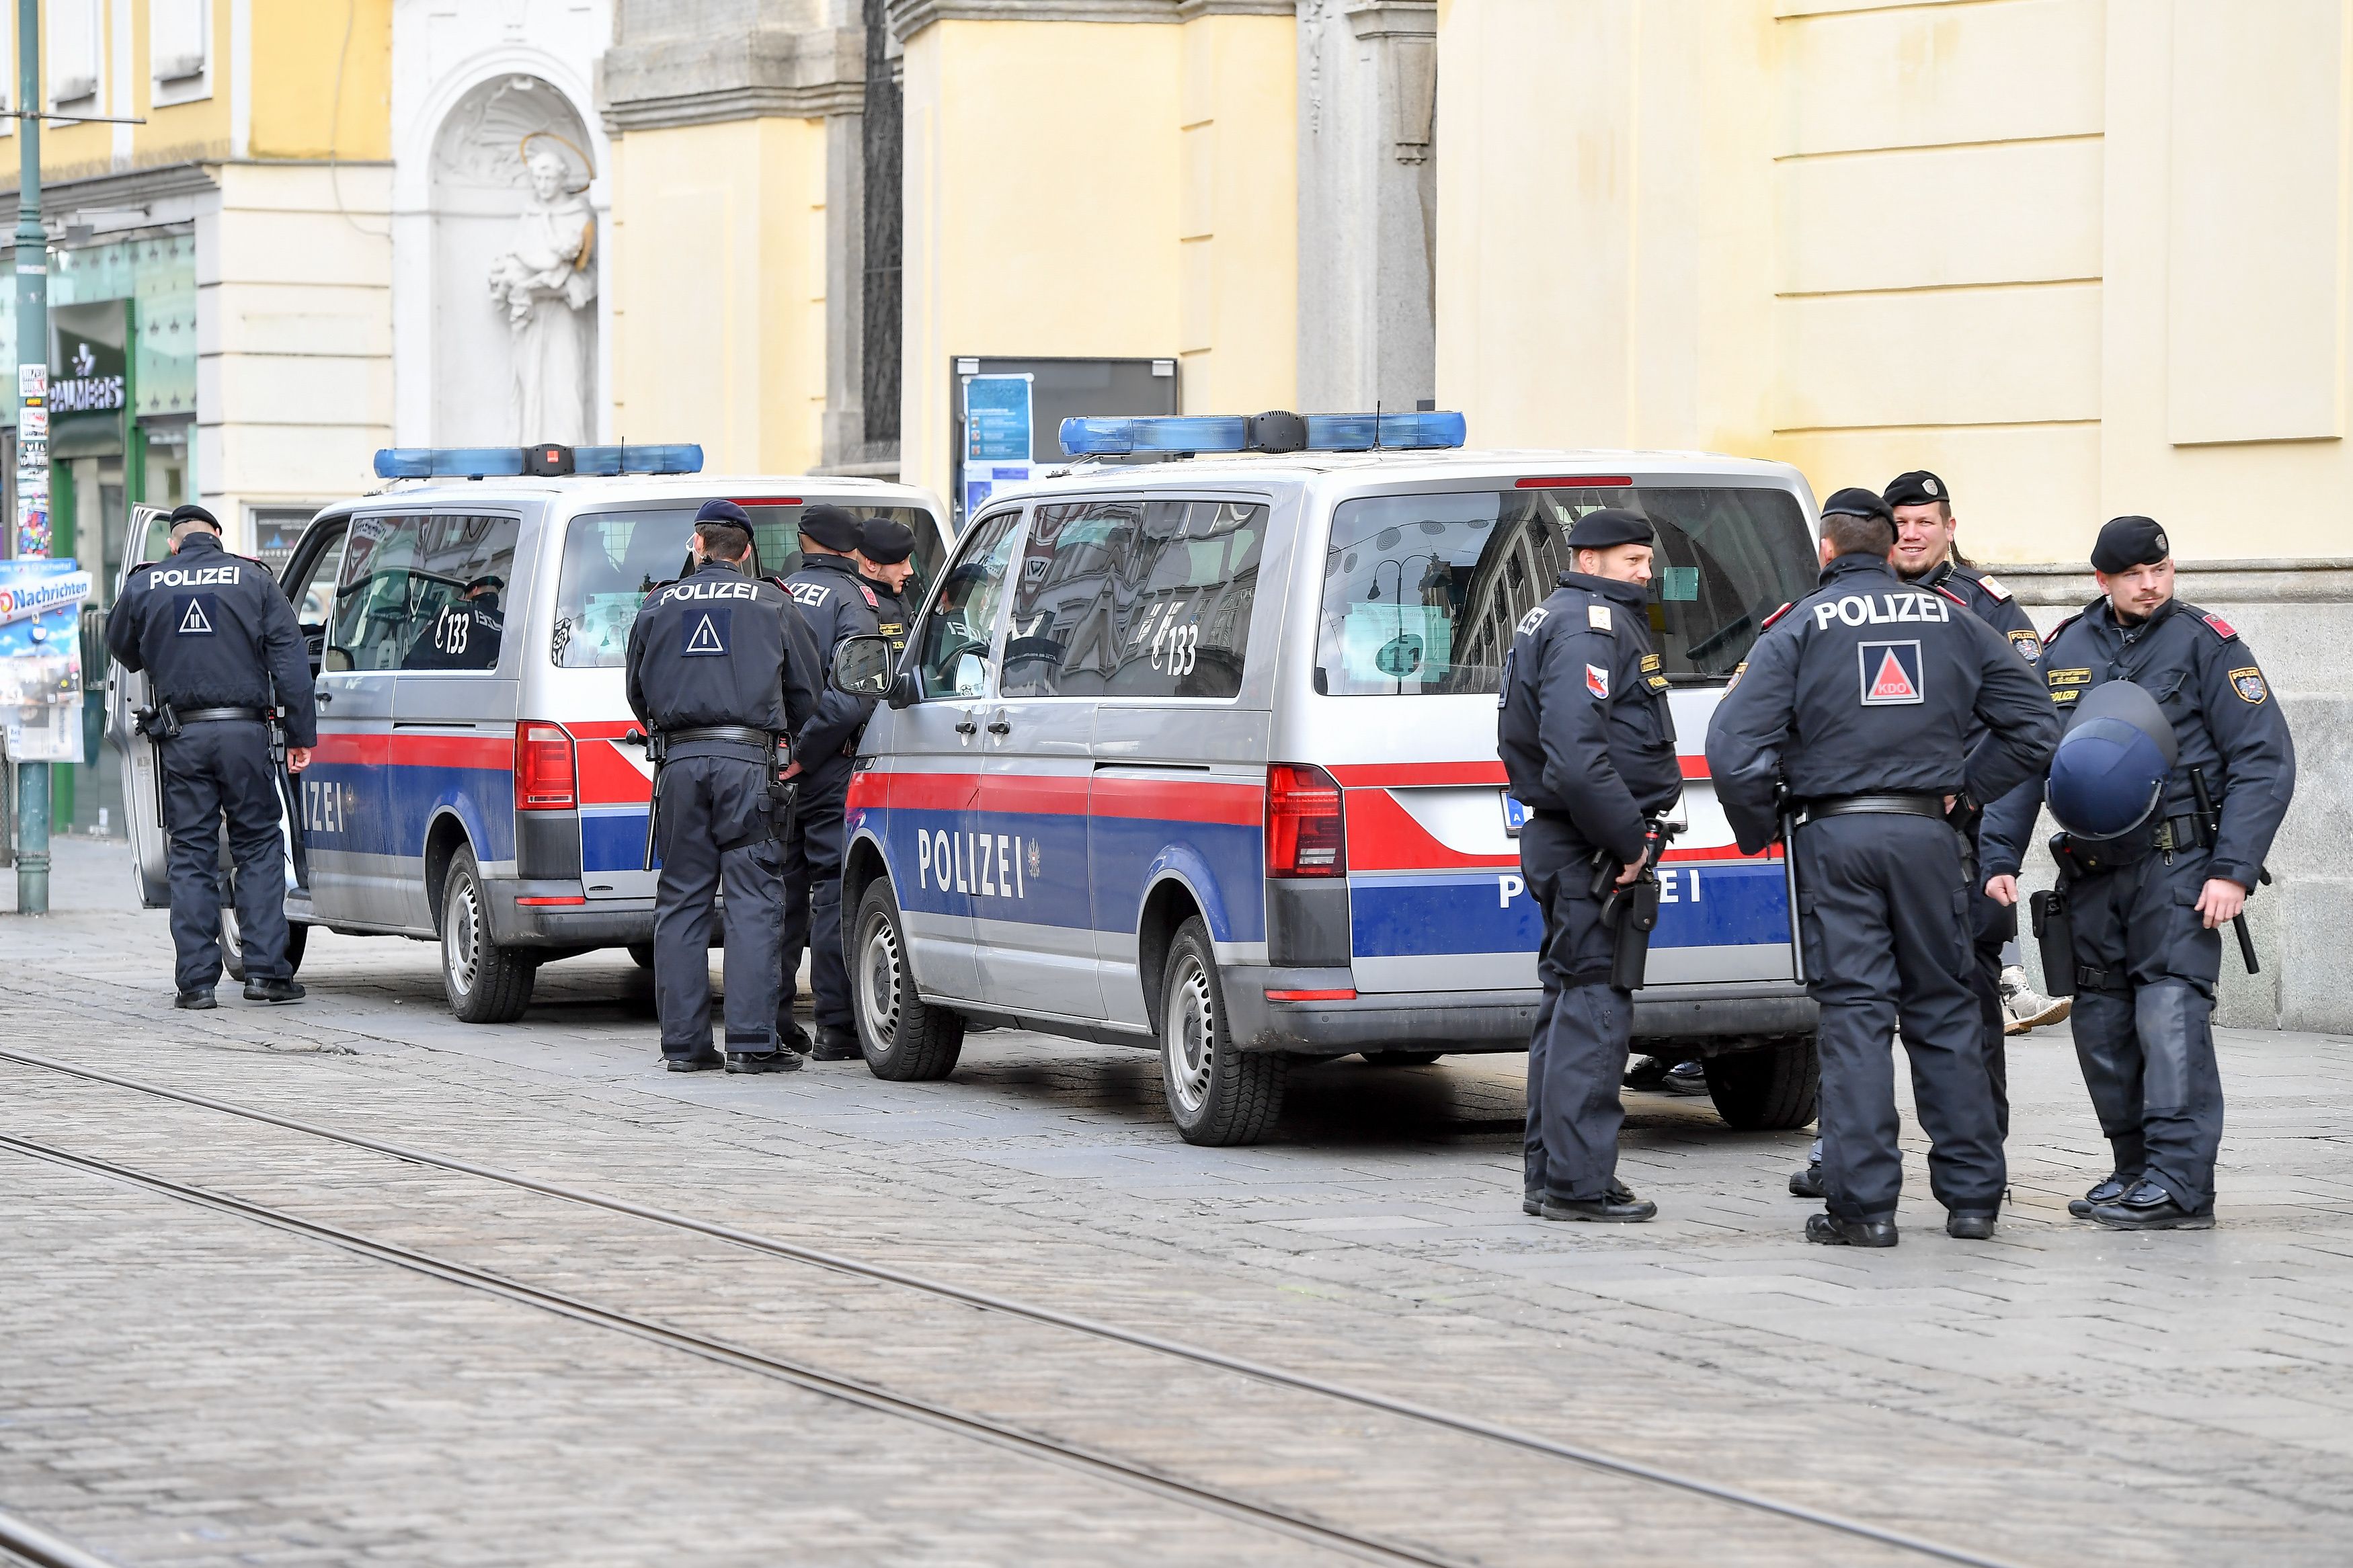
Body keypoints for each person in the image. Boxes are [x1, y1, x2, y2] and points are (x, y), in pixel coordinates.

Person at [1706, 489, 2059, 1246]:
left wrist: (1760, 825)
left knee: (1856, 1017)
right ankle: (1971, 1200)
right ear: (1889, 543)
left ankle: (1862, 1210)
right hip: (1927, 839)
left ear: (1826, 551)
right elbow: (2035, 726)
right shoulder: (1955, 620)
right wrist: (1964, 792)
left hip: (1834, 839)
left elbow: (1732, 748)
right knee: (1943, 1010)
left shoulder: (1797, 626)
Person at [1980, 516, 2295, 1230]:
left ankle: (2181, 1183)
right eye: (2132, 574)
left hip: (2177, 865)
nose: (2149, 584)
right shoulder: (2064, 647)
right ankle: (2133, 1170)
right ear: (2102, 580)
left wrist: (2233, 869)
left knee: (2168, 1013)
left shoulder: (2205, 644)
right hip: (2090, 870)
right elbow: (2027, 753)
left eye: (2158, 570)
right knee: (2101, 1022)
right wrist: (1997, 853)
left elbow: (2262, 760)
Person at [1498, 508, 1683, 1223]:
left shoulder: (1557, 615)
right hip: (1591, 846)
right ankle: (1576, 1184)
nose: (1646, 573)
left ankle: (1554, 1175)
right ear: (1593, 557)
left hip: (1569, 839)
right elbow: (1576, 756)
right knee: (1595, 1010)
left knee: (1569, 1003)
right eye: (1635, 561)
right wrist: (1629, 841)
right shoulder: (1587, 627)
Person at [625, 500, 818, 1073]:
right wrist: (787, 745)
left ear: (698, 544)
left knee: (682, 897)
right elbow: (807, 691)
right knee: (754, 898)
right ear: (747, 551)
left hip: (681, 763)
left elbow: (636, 691)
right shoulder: (774, 604)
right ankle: (752, 1042)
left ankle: (684, 1046)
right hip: (749, 764)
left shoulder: (657, 605)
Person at [105, 503, 317, 1009]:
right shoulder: (255, 580)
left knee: (193, 854)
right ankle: (266, 973)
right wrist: (301, 735)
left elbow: (121, 647)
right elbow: (290, 663)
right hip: (246, 734)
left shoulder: (146, 583)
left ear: (173, 543)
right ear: (218, 536)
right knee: (260, 845)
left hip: (181, 737)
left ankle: (196, 983)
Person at [778, 503, 884, 1061]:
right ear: (850, 550)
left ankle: (771, 1021)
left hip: (773, 768)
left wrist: (783, 752)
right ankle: (837, 1028)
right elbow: (855, 693)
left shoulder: (778, 592)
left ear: (804, 541)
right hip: (827, 766)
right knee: (830, 895)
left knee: (777, 895)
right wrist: (807, 753)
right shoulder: (854, 600)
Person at [859, 517, 919, 664]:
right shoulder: (858, 606)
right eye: (901, 562)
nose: (910, 571)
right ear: (872, 564)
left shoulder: (897, 595)